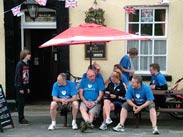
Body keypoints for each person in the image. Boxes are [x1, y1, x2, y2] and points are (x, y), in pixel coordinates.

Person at [79, 68, 105, 132]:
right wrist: (85, 102)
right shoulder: (83, 81)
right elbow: (81, 94)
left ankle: (86, 124)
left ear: (95, 74)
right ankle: (89, 123)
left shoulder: (99, 81)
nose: (91, 77)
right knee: (82, 108)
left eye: (92, 76)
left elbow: (101, 95)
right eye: (89, 76)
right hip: (85, 101)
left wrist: (95, 102)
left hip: (96, 101)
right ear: (87, 75)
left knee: (91, 112)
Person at [14, 49, 31, 124]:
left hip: (25, 85)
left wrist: (27, 87)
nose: (30, 55)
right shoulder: (20, 64)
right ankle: (21, 119)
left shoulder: (27, 64)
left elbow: (27, 77)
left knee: (23, 103)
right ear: (25, 55)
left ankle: (22, 117)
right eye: (28, 54)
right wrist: (20, 87)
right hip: (20, 86)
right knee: (20, 103)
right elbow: (18, 76)